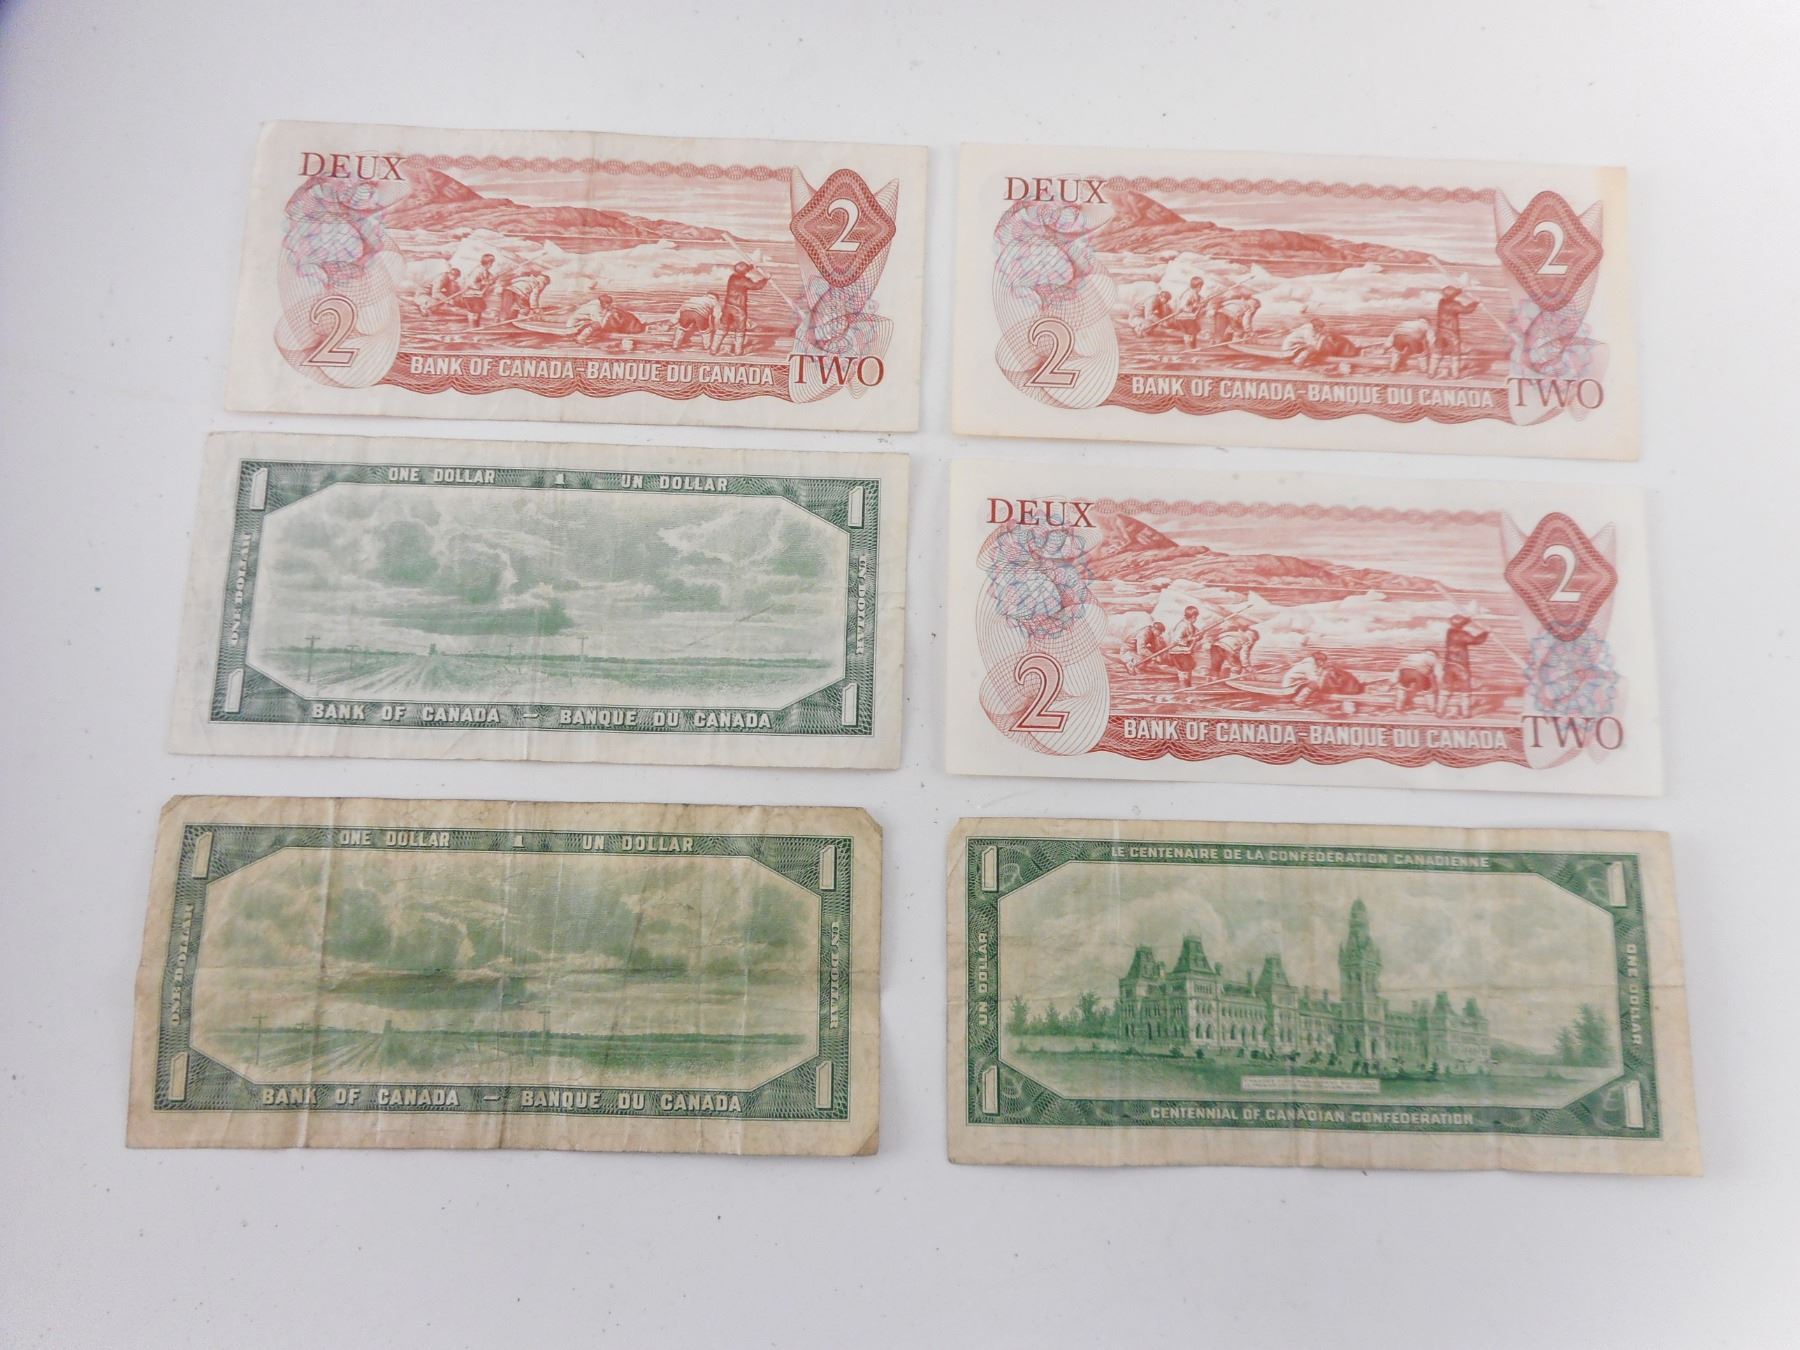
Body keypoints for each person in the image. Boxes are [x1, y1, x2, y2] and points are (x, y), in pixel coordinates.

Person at [1441, 614, 1489, 719]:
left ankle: (1440, 712)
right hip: (1460, 666)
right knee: (1465, 690)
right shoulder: (1462, 634)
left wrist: (1469, 620)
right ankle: (1465, 713)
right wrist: (1486, 632)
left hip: (1449, 665)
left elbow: (1463, 628)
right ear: (1462, 625)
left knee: (1446, 689)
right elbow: (1476, 640)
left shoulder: (1449, 632)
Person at [716, 260, 768, 354]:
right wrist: (765, 279)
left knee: (722, 328)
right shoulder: (744, 280)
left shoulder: (732, 278)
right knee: (740, 330)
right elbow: (756, 286)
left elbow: (742, 271)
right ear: (745, 271)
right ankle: (738, 351)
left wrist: (751, 267)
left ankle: (713, 349)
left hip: (727, 307)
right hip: (738, 308)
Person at [1433, 285, 1480, 378]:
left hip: (1440, 331)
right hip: (1451, 332)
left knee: (1437, 351)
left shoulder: (1441, 302)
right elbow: (1467, 310)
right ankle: (1455, 374)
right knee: (1455, 352)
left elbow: (1452, 295)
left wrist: (1461, 290)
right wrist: (1475, 303)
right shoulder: (1455, 305)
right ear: (1453, 295)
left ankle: (1431, 373)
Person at [570, 288, 645, 346]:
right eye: (607, 304)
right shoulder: (594, 308)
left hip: (587, 320)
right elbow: (599, 322)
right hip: (576, 323)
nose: (609, 305)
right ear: (603, 303)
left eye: (609, 304)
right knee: (597, 324)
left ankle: (593, 333)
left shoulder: (601, 305)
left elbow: (604, 315)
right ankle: (581, 338)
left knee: (603, 322)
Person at [1281, 313, 1359, 369]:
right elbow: (1314, 345)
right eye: (1320, 328)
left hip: (1298, 345)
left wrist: (1324, 337)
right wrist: (1322, 340)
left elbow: (1318, 338)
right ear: (1315, 327)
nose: (1321, 329)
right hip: (1291, 347)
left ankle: (1305, 359)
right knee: (1312, 349)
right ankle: (1298, 361)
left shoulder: (1313, 329)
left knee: (1315, 347)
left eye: (1322, 327)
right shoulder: (1308, 331)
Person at [1163, 606, 1204, 689]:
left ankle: (1187, 687)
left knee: (1188, 668)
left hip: (1185, 651)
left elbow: (1197, 634)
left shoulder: (1191, 625)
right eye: (1195, 617)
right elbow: (1176, 640)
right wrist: (1190, 639)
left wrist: (1200, 635)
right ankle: (1184, 688)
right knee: (1184, 670)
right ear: (1192, 617)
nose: (1196, 619)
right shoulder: (1182, 625)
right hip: (1178, 652)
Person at [453, 254, 497, 327]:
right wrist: (485, 282)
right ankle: (472, 328)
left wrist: (491, 281)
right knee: (473, 312)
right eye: (491, 263)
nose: (492, 265)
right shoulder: (477, 270)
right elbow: (471, 283)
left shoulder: (486, 272)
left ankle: (476, 328)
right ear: (488, 263)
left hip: (478, 295)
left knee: (478, 311)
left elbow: (488, 280)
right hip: (471, 294)